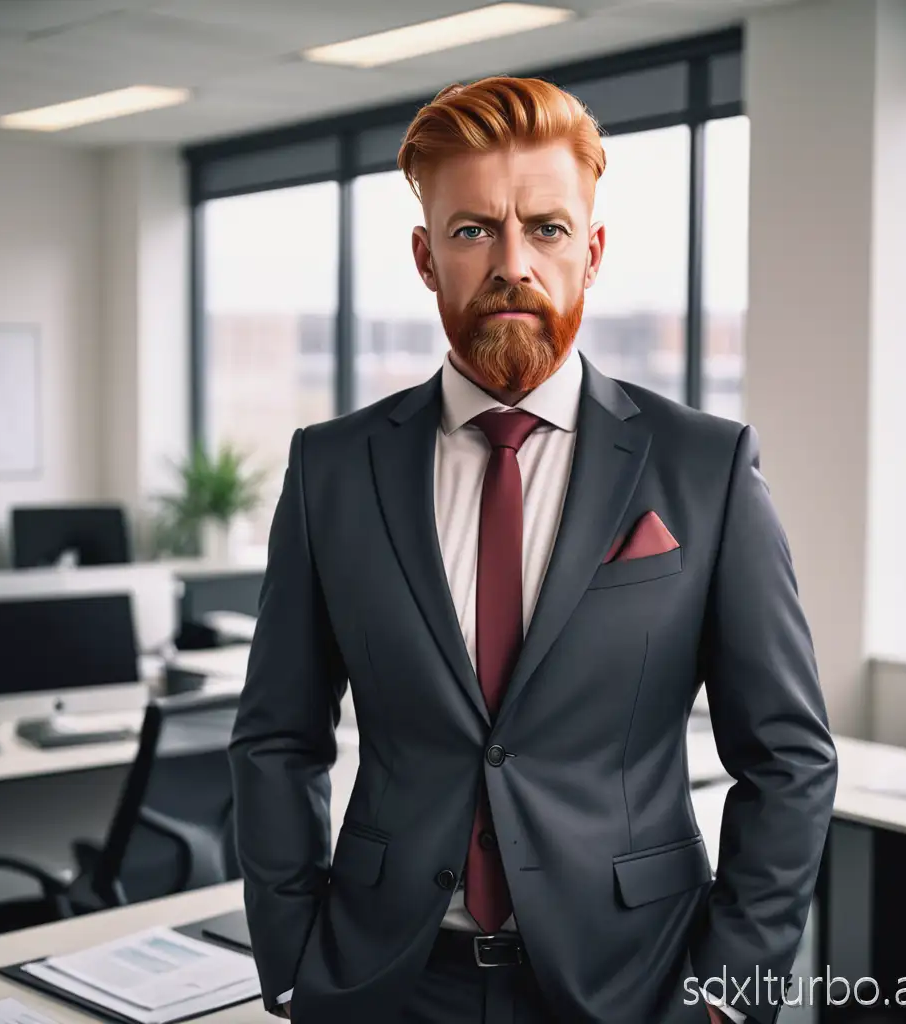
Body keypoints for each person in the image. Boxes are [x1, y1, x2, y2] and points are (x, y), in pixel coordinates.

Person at [229, 76, 838, 1024]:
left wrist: (732, 990)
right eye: (474, 231)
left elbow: (789, 758)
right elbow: (277, 737)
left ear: (590, 254)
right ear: (427, 258)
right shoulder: (332, 469)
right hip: (388, 980)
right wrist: (293, 954)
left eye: (546, 229)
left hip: (634, 983)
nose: (514, 262)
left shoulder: (704, 468)